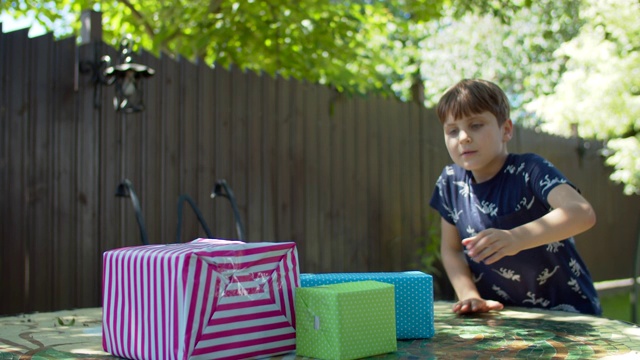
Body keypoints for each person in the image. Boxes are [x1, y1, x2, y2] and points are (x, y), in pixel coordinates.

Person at [429, 79, 601, 315]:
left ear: (506, 129)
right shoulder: (450, 182)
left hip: (568, 315)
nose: (463, 137)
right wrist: (469, 295)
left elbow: (582, 213)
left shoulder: (530, 170)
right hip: (504, 318)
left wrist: (516, 238)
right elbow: (452, 250)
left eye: (476, 125)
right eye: (452, 130)